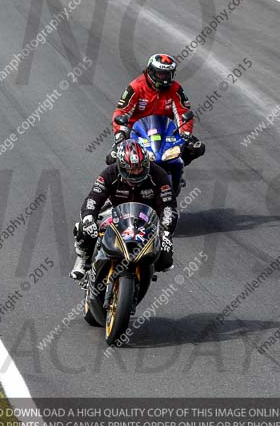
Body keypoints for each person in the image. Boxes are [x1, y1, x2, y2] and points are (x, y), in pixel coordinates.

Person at [71, 139, 178, 281]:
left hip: (146, 219)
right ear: (121, 166)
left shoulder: (159, 175)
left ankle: (146, 270)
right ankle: (83, 259)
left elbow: (168, 206)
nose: (135, 173)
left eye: (139, 168)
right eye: (130, 169)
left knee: (165, 259)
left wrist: (166, 233)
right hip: (115, 211)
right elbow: (94, 197)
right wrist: (89, 218)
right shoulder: (110, 172)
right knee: (84, 228)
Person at [110, 53, 205, 166]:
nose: (164, 78)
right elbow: (121, 111)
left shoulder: (176, 89)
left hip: (165, 132)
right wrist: (120, 133)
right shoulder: (136, 87)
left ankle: (177, 169)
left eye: (167, 74)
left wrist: (185, 133)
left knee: (197, 147)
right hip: (137, 132)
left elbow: (183, 112)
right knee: (112, 158)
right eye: (160, 74)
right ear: (151, 72)